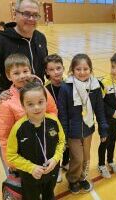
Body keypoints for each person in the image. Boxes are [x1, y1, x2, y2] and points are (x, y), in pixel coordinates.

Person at [0, 54, 57, 167]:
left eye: (25, 71)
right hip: (25, 156)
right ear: (9, 76)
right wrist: (12, 163)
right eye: (16, 73)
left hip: (46, 145)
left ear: (30, 71)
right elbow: (4, 136)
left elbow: (52, 111)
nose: (22, 76)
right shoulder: (7, 102)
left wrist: (50, 131)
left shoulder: (42, 90)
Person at [58, 54, 108, 194]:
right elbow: (63, 114)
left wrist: (103, 129)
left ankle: (82, 178)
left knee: (86, 158)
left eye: (85, 69)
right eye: (78, 69)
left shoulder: (95, 86)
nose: (82, 72)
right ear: (72, 70)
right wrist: (65, 134)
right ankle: (73, 179)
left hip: (88, 129)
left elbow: (99, 109)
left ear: (90, 70)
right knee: (77, 158)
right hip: (72, 132)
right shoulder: (66, 87)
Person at [7, 81, 65, 200]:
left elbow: (61, 142)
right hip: (30, 176)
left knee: (49, 195)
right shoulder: (18, 129)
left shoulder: (54, 121)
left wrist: (55, 159)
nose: (37, 107)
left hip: (51, 171)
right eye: (30, 104)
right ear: (23, 106)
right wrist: (31, 168)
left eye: (40, 102)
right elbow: (11, 155)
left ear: (46, 101)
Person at [0, 0, 48, 102]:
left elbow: (44, 66)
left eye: (35, 15)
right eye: (26, 14)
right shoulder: (0, 41)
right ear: (15, 14)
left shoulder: (40, 38)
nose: (31, 19)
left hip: (38, 98)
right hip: (13, 101)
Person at [44, 53, 69, 183]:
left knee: (68, 144)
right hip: (53, 125)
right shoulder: (45, 89)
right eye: (51, 70)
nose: (56, 72)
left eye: (58, 68)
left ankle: (65, 163)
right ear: (47, 72)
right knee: (56, 147)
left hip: (67, 122)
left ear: (63, 68)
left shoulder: (68, 85)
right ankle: (57, 168)